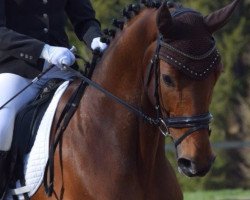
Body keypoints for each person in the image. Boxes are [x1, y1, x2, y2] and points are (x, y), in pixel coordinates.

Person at [0, 0, 107, 198]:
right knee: (1, 126)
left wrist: (95, 39)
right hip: (17, 68)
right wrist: (44, 50)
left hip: (62, 67)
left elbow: (85, 20)